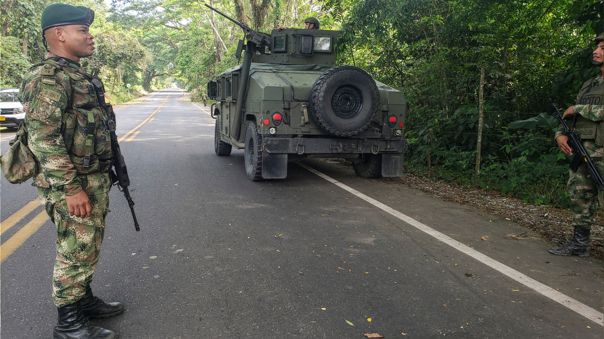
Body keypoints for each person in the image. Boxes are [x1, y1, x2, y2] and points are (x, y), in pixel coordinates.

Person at [21, 3, 124, 338]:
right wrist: (70, 188)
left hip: (90, 177)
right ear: (59, 35)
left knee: (87, 246)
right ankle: (69, 324)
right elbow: (43, 139)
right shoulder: (48, 79)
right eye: (83, 30)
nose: (90, 36)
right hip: (72, 182)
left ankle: (83, 301)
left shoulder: (77, 76)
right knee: (74, 251)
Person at [551, 32, 604, 257]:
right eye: (597, 47)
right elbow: (572, 117)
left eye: (603, 47)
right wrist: (560, 134)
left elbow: (577, 110)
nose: (596, 51)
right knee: (579, 194)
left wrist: (579, 108)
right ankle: (579, 244)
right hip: (583, 148)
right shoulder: (589, 85)